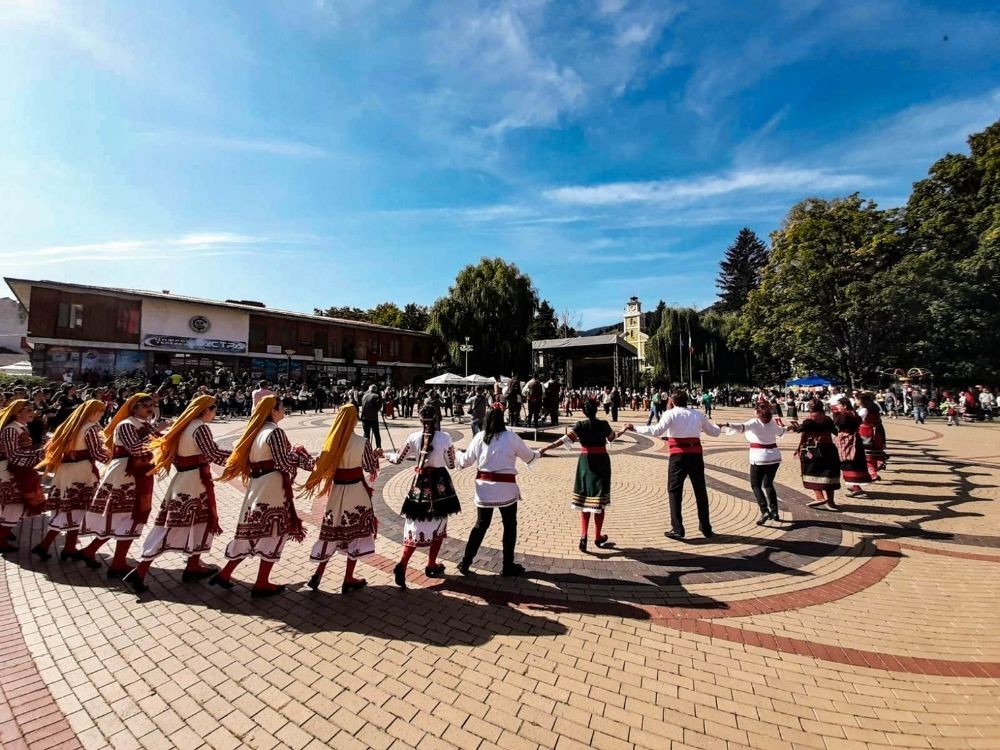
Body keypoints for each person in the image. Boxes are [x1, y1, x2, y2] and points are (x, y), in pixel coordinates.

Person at [123, 395, 231, 595]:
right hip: (193, 482)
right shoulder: (199, 428)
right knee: (171, 526)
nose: (215, 413)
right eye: (213, 409)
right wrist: (240, 457)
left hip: (187, 480)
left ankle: (193, 565)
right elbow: (213, 454)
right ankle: (140, 571)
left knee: (197, 522)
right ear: (205, 410)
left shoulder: (184, 426)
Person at [212, 396, 315, 597]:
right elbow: (283, 463)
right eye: (282, 406)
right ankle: (261, 583)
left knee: (251, 532)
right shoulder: (274, 432)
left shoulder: (257, 430)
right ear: (274, 411)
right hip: (273, 488)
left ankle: (226, 574)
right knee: (274, 532)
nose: (284, 409)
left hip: (258, 485)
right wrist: (299, 454)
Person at [77, 393, 162, 577]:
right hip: (124, 474)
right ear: (133, 407)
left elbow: (159, 444)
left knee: (128, 516)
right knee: (123, 515)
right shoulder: (125, 425)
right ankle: (115, 561)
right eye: (145, 404)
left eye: (151, 404)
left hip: (140, 474)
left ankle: (96, 553)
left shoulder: (145, 425)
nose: (150, 407)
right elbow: (136, 449)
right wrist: (157, 431)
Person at [301, 404, 379, 594]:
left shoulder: (331, 442)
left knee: (332, 533)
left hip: (337, 492)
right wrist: (375, 456)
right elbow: (370, 467)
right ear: (354, 420)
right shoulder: (362, 442)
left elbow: (319, 463)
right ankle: (348, 578)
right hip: (356, 493)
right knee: (356, 534)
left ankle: (318, 574)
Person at [455, 405, 540, 576]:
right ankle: (507, 565)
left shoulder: (480, 437)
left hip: (484, 490)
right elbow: (528, 456)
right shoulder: (511, 437)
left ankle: (465, 562)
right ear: (503, 419)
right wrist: (538, 453)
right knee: (509, 525)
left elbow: (465, 461)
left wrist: (456, 453)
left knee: (481, 525)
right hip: (507, 490)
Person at [624, 391, 721, 539]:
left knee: (675, 491)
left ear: (672, 401)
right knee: (700, 491)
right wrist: (718, 427)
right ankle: (706, 527)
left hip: (678, 455)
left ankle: (678, 528)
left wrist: (635, 427)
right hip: (695, 455)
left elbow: (656, 431)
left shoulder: (670, 414)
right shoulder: (697, 414)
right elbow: (714, 433)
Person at [384, 404, 461, 587]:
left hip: (420, 485)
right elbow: (451, 464)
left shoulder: (413, 437)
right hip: (441, 487)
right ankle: (431, 564)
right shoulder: (446, 437)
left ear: (420, 419)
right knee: (439, 524)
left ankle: (403, 563)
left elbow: (398, 459)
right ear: (436, 419)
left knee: (414, 523)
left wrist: (384, 454)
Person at [540, 398, 621, 551]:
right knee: (599, 501)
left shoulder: (580, 425)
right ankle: (597, 536)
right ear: (596, 410)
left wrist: (546, 448)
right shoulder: (603, 424)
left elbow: (564, 440)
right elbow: (612, 438)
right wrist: (622, 430)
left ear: (584, 411)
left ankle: (583, 536)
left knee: (585, 500)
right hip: (602, 462)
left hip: (585, 462)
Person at [32, 399, 109, 561]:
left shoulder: (71, 425)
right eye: (100, 411)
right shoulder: (90, 428)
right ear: (92, 412)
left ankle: (69, 547)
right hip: (80, 471)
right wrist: (115, 460)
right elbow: (96, 453)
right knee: (72, 509)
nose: (102, 414)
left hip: (66, 471)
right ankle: (45, 545)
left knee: (71, 509)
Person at [725, 404, 785, 525]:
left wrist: (727, 425)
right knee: (768, 484)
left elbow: (742, 427)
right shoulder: (772, 422)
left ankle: (765, 510)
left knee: (755, 485)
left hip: (759, 457)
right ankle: (774, 511)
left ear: (758, 412)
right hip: (774, 456)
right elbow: (780, 432)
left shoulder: (755, 422)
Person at [0, 400, 46, 553]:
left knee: (15, 506)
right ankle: (1, 538)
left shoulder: (20, 428)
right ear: (17, 412)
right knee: (13, 506)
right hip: (9, 472)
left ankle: (3, 535)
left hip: (18, 470)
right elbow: (13, 455)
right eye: (28, 410)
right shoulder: (11, 430)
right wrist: (40, 454)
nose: (32, 413)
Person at [788, 402, 840, 509]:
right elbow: (836, 432)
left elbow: (799, 429)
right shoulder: (827, 419)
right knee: (829, 475)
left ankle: (819, 496)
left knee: (811, 471)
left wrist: (788, 428)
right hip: (829, 449)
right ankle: (830, 502)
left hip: (813, 450)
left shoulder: (809, 421)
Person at [832, 398, 869, 497]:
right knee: (854, 460)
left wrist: (835, 415)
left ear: (844, 405)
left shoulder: (845, 415)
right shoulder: (854, 413)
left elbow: (837, 424)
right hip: (856, 439)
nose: (837, 406)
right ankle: (855, 486)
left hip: (846, 440)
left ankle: (854, 487)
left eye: (839, 405)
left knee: (847, 461)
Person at [857, 392, 887, 479]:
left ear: (861, 401)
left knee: (867, 455)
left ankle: (872, 473)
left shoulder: (863, 410)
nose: (856, 401)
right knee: (872, 453)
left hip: (865, 431)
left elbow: (857, 420)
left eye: (857, 399)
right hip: (875, 431)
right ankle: (877, 466)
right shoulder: (873, 406)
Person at [360, 384, 383, 449]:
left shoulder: (364, 396)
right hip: (373, 418)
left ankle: (366, 449)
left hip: (364, 417)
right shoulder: (376, 396)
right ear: (375, 390)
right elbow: (379, 406)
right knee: (376, 434)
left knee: (366, 435)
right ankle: (378, 447)